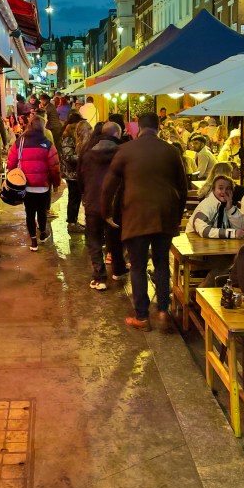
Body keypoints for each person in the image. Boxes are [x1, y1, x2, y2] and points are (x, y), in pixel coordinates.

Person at [102, 111, 188, 331]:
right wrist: (176, 216)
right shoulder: (171, 151)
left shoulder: (125, 150)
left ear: (138, 128)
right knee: (161, 264)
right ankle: (163, 311)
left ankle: (142, 317)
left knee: (138, 267)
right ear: (158, 128)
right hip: (164, 216)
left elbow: (109, 185)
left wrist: (107, 212)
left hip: (136, 216)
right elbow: (183, 188)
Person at [79, 122, 128, 290]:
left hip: (93, 201)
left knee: (94, 240)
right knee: (115, 238)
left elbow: (81, 177)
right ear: (117, 134)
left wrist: (85, 196)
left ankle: (99, 277)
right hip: (114, 203)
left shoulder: (87, 152)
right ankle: (118, 269)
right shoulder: (123, 152)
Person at [8, 114, 61, 251]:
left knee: (29, 213)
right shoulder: (47, 144)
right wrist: (56, 184)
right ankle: (42, 233)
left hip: (26, 185)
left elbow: (11, 161)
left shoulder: (20, 142)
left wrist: (13, 174)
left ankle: (33, 242)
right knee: (42, 211)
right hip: (43, 186)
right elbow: (54, 167)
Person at [186, 175, 244, 240]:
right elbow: (203, 230)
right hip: (194, 243)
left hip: (218, 245)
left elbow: (243, 227)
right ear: (213, 190)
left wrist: (230, 209)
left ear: (232, 191)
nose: (224, 192)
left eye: (228, 188)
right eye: (220, 188)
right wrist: (231, 233)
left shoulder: (229, 206)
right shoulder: (206, 205)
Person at [60, 117, 91, 233]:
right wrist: (85, 157)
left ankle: (74, 221)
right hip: (72, 174)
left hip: (76, 173)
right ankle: (71, 223)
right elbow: (68, 156)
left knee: (76, 198)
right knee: (74, 198)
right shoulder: (68, 139)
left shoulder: (76, 139)